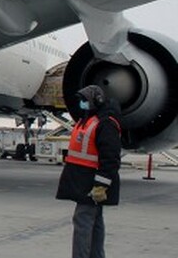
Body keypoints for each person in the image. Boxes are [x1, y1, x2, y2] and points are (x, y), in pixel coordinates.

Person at [56, 84, 122, 258]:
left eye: (85, 100)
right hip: (82, 182)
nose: (82, 104)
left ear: (97, 101)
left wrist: (101, 185)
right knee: (95, 223)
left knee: (82, 222)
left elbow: (111, 158)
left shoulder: (105, 124)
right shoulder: (89, 120)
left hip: (92, 184)